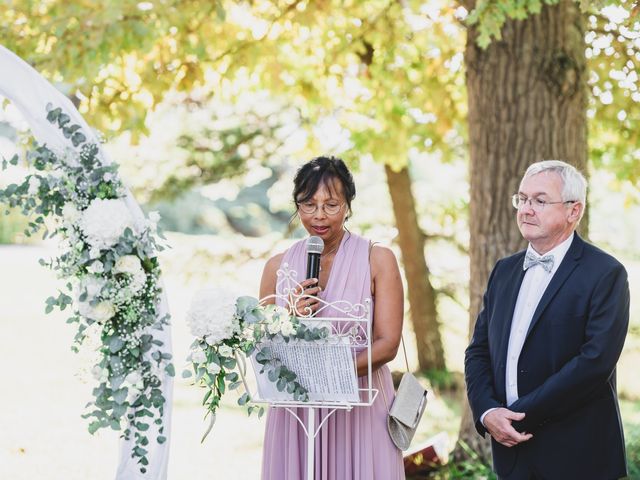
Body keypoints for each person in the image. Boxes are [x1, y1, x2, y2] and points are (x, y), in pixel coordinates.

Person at [464, 160, 630, 479]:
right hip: (511, 455)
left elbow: (594, 363)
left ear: (573, 211)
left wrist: (517, 417)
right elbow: (478, 351)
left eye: (539, 200)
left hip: (577, 456)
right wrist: (486, 412)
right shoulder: (504, 271)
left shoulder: (606, 274)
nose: (526, 209)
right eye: (522, 199)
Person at [259, 156, 405, 480]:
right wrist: (291, 317)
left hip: (361, 407)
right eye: (308, 205)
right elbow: (265, 345)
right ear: (296, 205)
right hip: (295, 412)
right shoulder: (275, 267)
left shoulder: (378, 259)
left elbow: (389, 343)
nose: (319, 216)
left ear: (348, 205)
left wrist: (331, 376)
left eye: (331, 204)